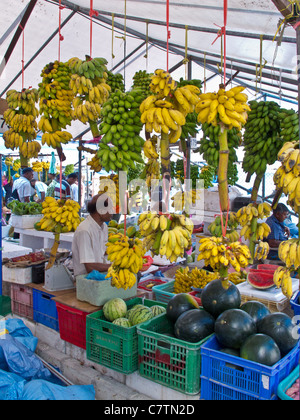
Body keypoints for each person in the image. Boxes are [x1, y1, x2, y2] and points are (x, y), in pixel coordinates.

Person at [72, 194, 113, 278]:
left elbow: (102, 251)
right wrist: (115, 267)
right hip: (86, 279)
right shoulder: (84, 230)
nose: (112, 212)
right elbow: (90, 267)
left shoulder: (104, 227)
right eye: (110, 209)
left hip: (100, 275)